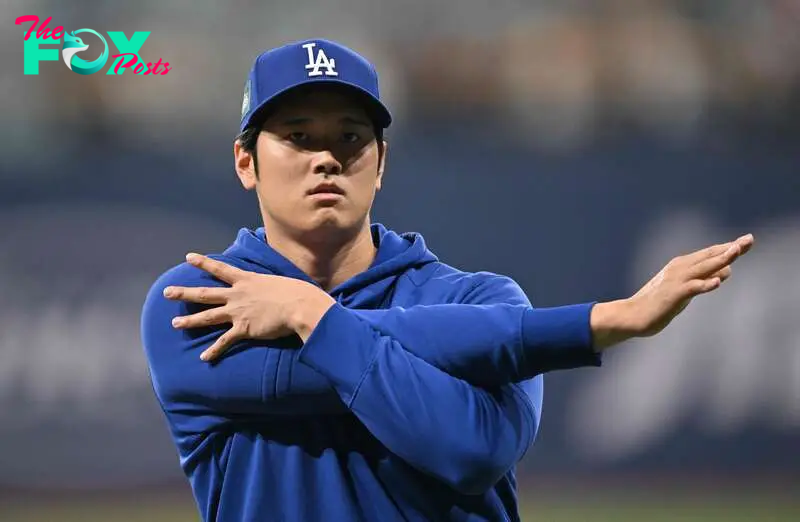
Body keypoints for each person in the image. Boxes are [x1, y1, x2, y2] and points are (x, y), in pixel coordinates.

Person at [140, 38, 754, 522]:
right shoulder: (199, 302)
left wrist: (311, 318)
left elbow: (468, 453)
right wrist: (589, 325)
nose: (326, 157)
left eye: (350, 137)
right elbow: (453, 355)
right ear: (245, 161)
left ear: (381, 163)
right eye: (297, 135)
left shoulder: (483, 299)